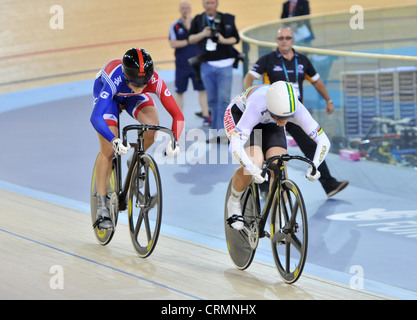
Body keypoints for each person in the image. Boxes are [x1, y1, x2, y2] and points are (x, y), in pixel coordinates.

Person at [243, 26, 348, 198]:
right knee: (267, 147)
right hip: (272, 114)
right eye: (281, 38)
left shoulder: (302, 60)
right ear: (277, 41)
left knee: (312, 146)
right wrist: (248, 95)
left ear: (293, 40)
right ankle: (263, 185)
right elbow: (250, 76)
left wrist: (328, 99)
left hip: (294, 113)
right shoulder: (268, 59)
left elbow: (317, 81)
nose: (284, 40)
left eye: (287, 38)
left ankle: (329, 184)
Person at [90, 48, 184, 229]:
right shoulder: (114, 78)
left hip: (134, 98)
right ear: (126, 77)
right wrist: (113, 139)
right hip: (109, 98)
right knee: (108, 151)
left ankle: (135, 160)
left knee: (151, 128)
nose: (141, 87)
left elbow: (177, 115)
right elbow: (96, 117)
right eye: (136, 83)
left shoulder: (154, 80)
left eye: (144, 83)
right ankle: (102, 206)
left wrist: (175, 140)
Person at [224, 81, 328, 230]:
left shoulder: (295, 109)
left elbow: (323, 140)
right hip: (241, 115)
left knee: (280, 164)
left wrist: (315, 165)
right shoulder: (256, 105)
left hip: (269, 122)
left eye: (287, 118)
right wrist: (252, 168)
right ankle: (234, 202)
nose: (284, 122)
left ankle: (278, 212)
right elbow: (235, 146)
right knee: (256, 160)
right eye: (280, 117)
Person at [188, 0, 240, 138]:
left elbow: (236, 38)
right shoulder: (198, 20)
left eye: (212, 3)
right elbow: (190, 39)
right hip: (207, 65)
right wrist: (203, 34)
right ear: (203, 4)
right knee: (211, 100)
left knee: (223, 100)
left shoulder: (227, 19)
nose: (209, 5)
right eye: (207, 3)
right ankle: (216, 132)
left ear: (216, 4)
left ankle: (223, 132)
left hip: (225, 65)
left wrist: (222, 40)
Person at [169, 0, 211, 126]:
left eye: (187, 8)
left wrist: (189, 36)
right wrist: (189, 41)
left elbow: (201, 38)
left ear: (190, 9)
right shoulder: (175, 26)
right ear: (180, 10)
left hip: (196, 64)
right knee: (179, 91)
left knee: (202, 90)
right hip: (181, 65)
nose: (185, 10)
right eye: (183, 8)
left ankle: (206, 116)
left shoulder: (196, 23)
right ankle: (177, 117)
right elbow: (173, 43)